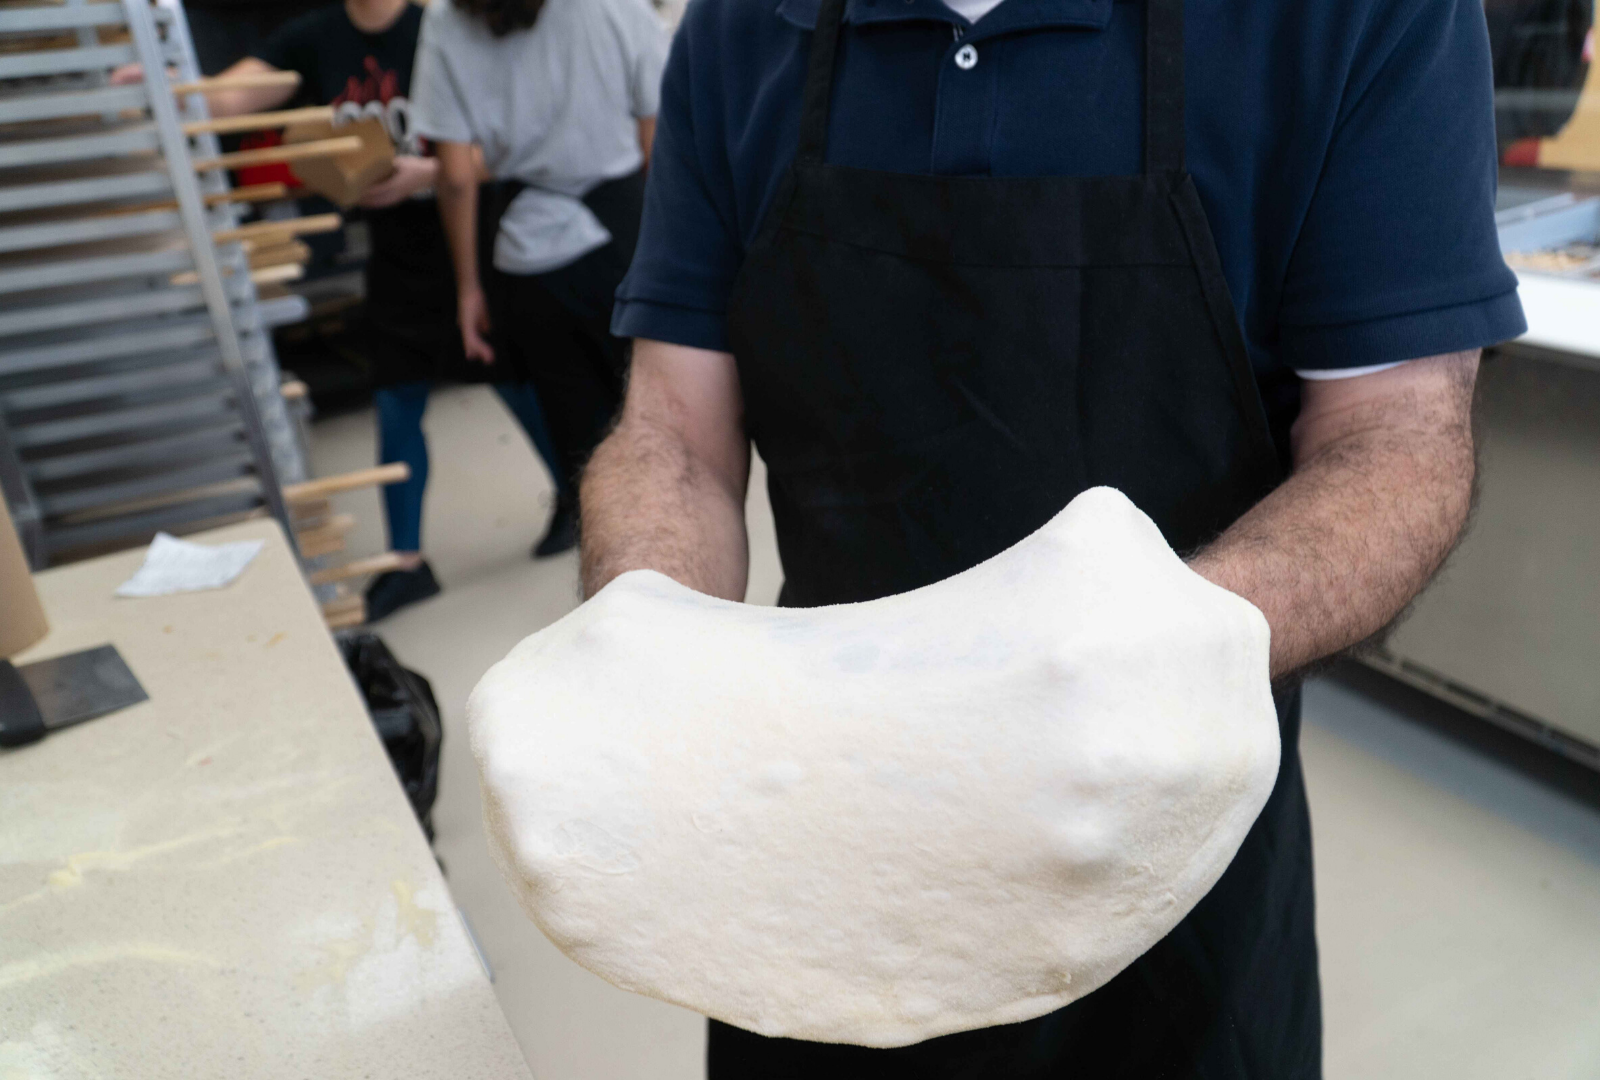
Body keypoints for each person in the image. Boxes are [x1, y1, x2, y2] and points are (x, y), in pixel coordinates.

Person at [580, 0, 1526, 1075]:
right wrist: (642, 629)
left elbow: (1394, 437)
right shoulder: (737, 31)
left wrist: (1149, 656)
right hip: (812, 843)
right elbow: (673, 432)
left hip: (1170, 863)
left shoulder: (1358, 17)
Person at [128, 0, 577, 619]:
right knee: (396, 397)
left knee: (513, 380)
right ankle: (407, 564)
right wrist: (167, 85)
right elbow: (231, 97)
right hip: (394, 254)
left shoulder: (442, 30)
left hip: (469, 238)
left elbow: (512, 145)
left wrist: (429, 173)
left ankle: (575, 496)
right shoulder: (314, 38)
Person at [410, 0, 667, 538]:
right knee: (662, 433)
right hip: (627, 241)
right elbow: (658, 136)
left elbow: (455, 176)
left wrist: (468, 289)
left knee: (588, 459)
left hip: (530, 260)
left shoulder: (447, 19)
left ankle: (618, 569)